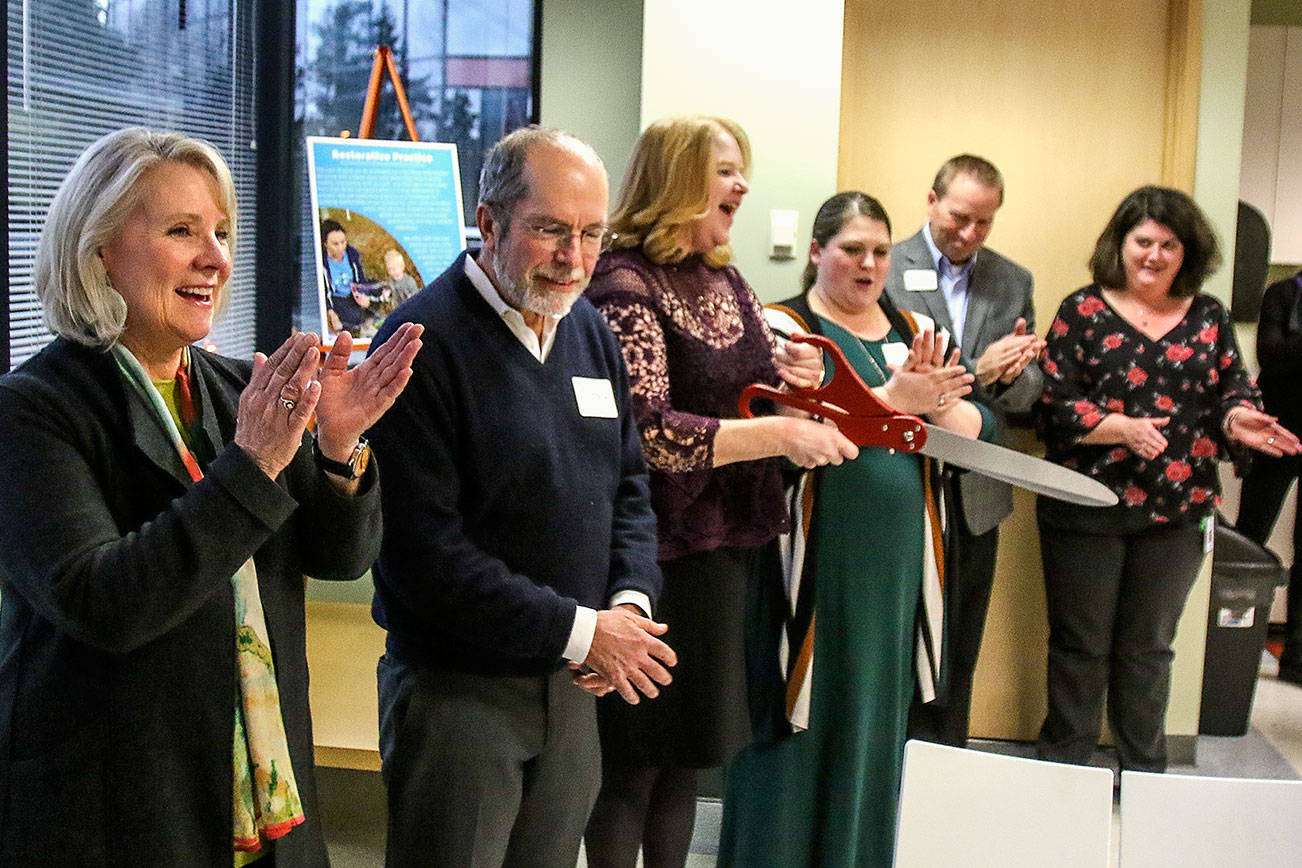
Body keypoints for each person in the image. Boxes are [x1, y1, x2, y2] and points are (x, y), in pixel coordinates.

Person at [0, 127, 423, 866]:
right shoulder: (33, 409)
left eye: (221, 232)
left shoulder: (235, 391)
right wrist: (254, 462)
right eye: (181, 231)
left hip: (266, 800)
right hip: (116, 808)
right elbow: (104, 602)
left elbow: (337, 555)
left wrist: (338, 446)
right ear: (98, 249)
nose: (216, 258)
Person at [366, 125, 674, 868]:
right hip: (459, 699)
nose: (574, 258)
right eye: (551, 231)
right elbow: (424, 558)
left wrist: (627, 606)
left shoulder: (590, 331)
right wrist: (583, 630)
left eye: (591, 235)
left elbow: (629, 487)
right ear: (489, 222)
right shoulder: (418, 343)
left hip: (572, 691)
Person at [582, 117, 860, 868]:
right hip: (656, 560)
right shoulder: (622, 282)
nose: (743, 185)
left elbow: (752, 386)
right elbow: (647, 431)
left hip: (728, 553)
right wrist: (779, 436)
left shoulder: (726, 277)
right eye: (728, 170)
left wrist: (792, 378)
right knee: (633, 765)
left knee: (690, 760)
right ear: (678, 179)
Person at [718, 191, 995, 867]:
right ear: (817, 252)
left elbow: (972, 428)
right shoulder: (785, 328)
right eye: (851, 249)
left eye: (879, 250)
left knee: (873, 725)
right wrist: (896, 403)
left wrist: (943, 403)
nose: (868, 264)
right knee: (797, 719)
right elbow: (790, 435)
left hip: (896, 570)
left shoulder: (911, 328)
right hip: (811, 567)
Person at [1035, 185, 1300, 773]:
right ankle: (1064, 770)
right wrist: (1116, 428)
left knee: (1147, 651)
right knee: (1079, 648)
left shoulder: (1209, 316)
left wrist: (1240, 417)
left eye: (1169, 245)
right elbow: (1052, 401)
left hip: (1177, 512)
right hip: (1085, 501)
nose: (1154, 255)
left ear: (1189, 252)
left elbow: (1232, 390)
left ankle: (1144, 772)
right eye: (1143, 241)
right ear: (1120, 244)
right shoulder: (1082, 309)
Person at [885, 154, 1044, 746]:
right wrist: (981, 369)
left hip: (976, 494)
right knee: (902, 642)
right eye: (959, 217)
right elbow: (888, 377)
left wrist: (1010, 374)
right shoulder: (886, 267)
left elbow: (1028, 395)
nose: (969, 234)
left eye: (984, 222)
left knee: (959, 645)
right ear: (931, 201)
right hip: (903, 479)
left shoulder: (1013, 280)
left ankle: (947, 766)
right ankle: (891, 765)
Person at [1236, 267, 1302, 686]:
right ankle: (1229, 640)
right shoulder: (1283, 294)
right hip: (1277, 429)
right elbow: (1271, 356)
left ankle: (1296, 659)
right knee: (1249, 534)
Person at [320, 218, 379, 334]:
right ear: (325, 244)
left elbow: (360, 279)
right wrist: (330, 311)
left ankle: (366, 316)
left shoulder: (351, 253)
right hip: (338, 297)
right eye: (335, 244)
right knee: (354, 316)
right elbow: (323, 291)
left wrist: (363, 295)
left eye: (343, 242)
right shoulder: (322, 262)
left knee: (379, 287)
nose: (341, 247)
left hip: (353, 292)